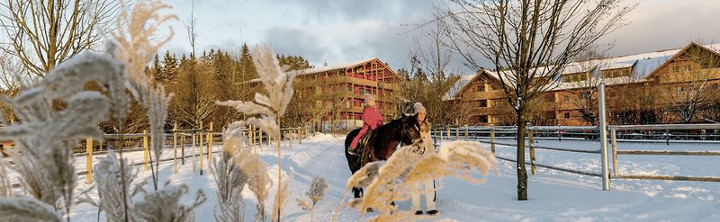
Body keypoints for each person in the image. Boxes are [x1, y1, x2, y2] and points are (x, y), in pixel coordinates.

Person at [410, 102, 438, 215]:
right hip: (415, 158)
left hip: (426, 158)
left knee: (429, 183)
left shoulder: (427, 126)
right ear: (415, 114)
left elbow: (430, 143)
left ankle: (431, 207)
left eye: (424, 113)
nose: (422, 115)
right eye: (420, 113)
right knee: (415, 183)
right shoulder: (411, 127)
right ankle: (415, 208)